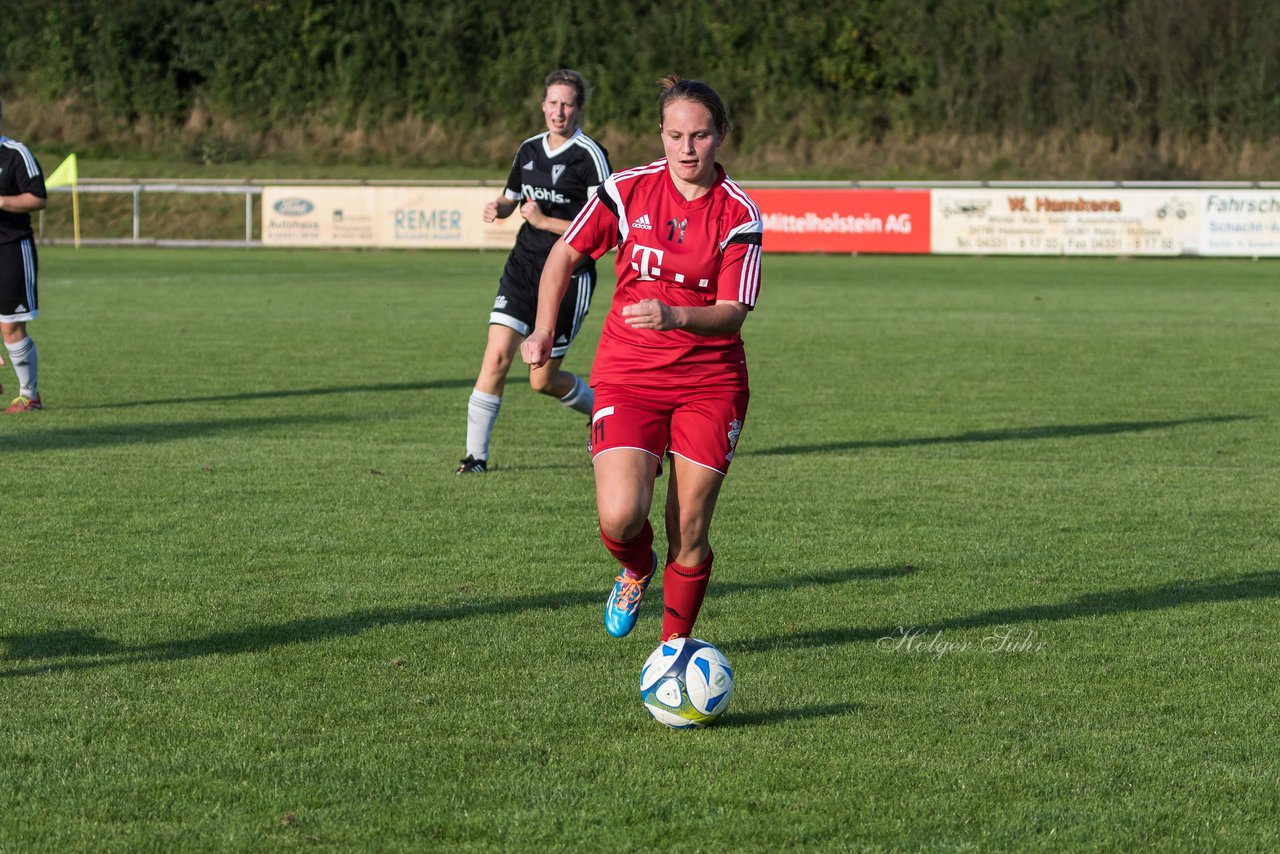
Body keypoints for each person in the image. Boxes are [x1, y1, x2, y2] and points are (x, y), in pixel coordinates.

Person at [522, 76, 762, 642]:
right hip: (630, 375)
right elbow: (564, 254)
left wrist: (675, 316)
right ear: (660, 133)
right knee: (621, 518)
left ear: (721, 136)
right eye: (675, 135)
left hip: (710, 382)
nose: (686, 149)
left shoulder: (740, 213)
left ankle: (673, 652)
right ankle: (636, 567)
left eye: (699, 136)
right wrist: (543, 330)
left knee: (690, 530)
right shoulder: (627, 190)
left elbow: (731, 312)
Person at [455, 69, 612, 474]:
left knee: (542, 381)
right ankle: (475, 459)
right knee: (495, 358)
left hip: (568, 278)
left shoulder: (590, 157)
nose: (559, 111)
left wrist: (544, 222)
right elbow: (511, 199)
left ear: (578, 109)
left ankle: (613, 417)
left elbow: (606, 230)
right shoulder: (527, 150)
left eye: (568, 104)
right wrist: (499, 208)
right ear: (543, 105)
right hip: (523, 267)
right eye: (553, 103)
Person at [0, 98, 47, 413]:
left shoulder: (16, 154)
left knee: (10, 326)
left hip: (11, 248)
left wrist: (1, 201)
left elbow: (38, 198)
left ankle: (29, 396)